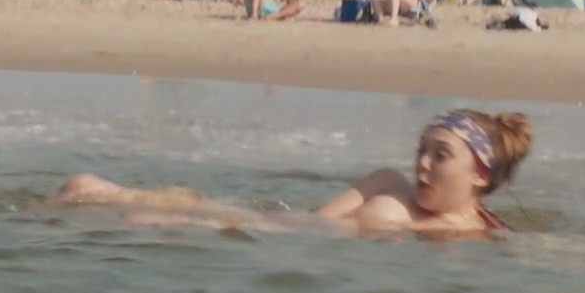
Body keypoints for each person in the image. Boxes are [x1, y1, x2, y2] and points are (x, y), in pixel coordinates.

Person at [47, 109, 533, 237]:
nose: (422, 163)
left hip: (261, 232)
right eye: (421, 150)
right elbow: (316, 220)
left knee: (116, 211)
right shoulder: (390, 181)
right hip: (261, 223)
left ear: (481, 175)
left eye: (440, 155)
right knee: (90, 192)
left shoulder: (477, 235)